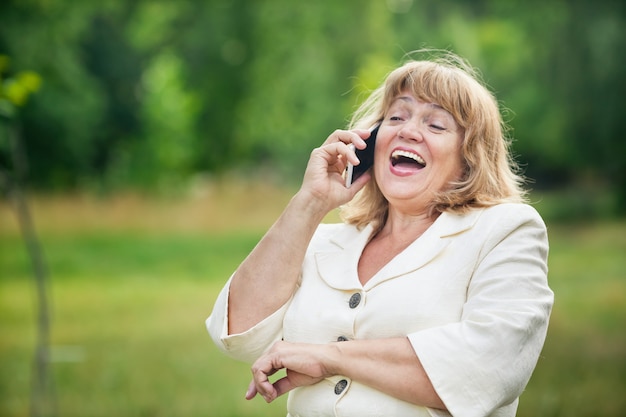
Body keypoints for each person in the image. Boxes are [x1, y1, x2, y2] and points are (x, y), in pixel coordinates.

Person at [206, 50, 554, 417]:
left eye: (436, 125)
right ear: (370, 142)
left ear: (469, 158)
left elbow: (488, 365)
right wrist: (309, 203)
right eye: (396, 117)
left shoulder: (505, 230)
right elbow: (236, 334)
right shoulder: (324, 242)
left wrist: (329, 358)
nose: (408, 130)